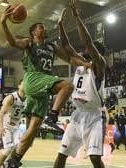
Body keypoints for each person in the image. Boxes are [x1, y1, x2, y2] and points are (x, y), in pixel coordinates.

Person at [1, 4, 90, 168]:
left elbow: (70, 59)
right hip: (34, 79)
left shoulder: (51, 46)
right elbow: (13, 42)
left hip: (42, 88)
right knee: (68, 86)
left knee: (32, 131)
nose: (44, 29)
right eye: (41, 27)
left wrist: (86, 64)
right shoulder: (29, 43)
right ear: (34, 32)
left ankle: (12, 161)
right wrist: (4, 23)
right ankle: (53, 117)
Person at [53, 0, 107, 167]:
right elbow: (67, 46)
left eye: (87, 51)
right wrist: (60, 25)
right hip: (77, 114)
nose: (83, 52)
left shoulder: (99, 65)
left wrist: (77, 17)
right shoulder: (81, 64)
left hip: (94, 116)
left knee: (95, 158)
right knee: (62, 154)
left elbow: (88, 43)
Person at [0, 79, 26, 168]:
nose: (26, 86)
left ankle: (7, 164)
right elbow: (1, 113)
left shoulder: (28, 99)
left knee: (18, 147)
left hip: (16, 126)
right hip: (5, 126)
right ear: (19, 86)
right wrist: (1, 127)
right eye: (24, 84)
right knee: (7, 149)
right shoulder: (11, 97)